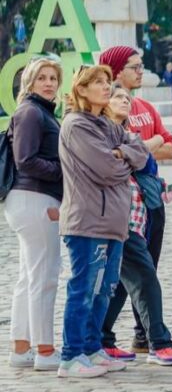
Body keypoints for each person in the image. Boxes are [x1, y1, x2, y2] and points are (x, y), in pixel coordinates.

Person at [57, 65, 149, 378]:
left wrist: (121, 154)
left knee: (105, 289)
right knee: (84, 288)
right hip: (88, 222)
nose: (106, 87)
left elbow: (140, 151)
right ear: (81, 89)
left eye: (107, 81)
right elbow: (108, 169)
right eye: (98, 82)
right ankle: (71, 356)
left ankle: (92, 349)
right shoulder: (76, 125)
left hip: (114, 222)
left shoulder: (106, 125)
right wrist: (124, 162)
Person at [97, 45, 172, 357]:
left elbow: (170, 148)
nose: (141, 71)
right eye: (134, 66)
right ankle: (159, 340)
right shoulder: (99, 121)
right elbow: (117, 158)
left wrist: (144, 146)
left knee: (129, 276)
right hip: (121, 209)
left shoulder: (143, 107)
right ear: (114, 72)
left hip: (150, 202)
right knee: (142, 275)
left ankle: (110, 336)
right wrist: (148, 145)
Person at [6, 57, 64, 372]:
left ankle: (21, 347)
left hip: (29, 199)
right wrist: (62, 170)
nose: (48, 83)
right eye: (41, 77)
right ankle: (45, 350)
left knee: (29, 276)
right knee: (45, 277)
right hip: (34, 198)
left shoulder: (39, 111)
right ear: (30, 81)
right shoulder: (31, 112)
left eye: (53, 78)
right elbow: (25, 159)